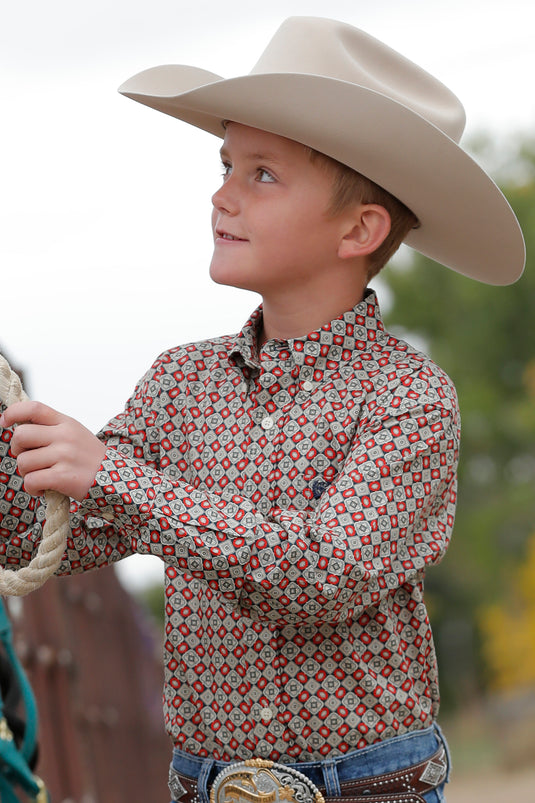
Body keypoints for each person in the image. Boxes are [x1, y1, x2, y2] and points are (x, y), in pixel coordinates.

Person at [0, 16, 525, 803]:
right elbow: (47, 538)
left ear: (359, 228)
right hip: (203, 785)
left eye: (262, 175)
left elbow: (324, 576)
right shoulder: (180, 383)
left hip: (369, 788)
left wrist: (113, 475)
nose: (222, 195)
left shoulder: (408, 397)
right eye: (226, 165)